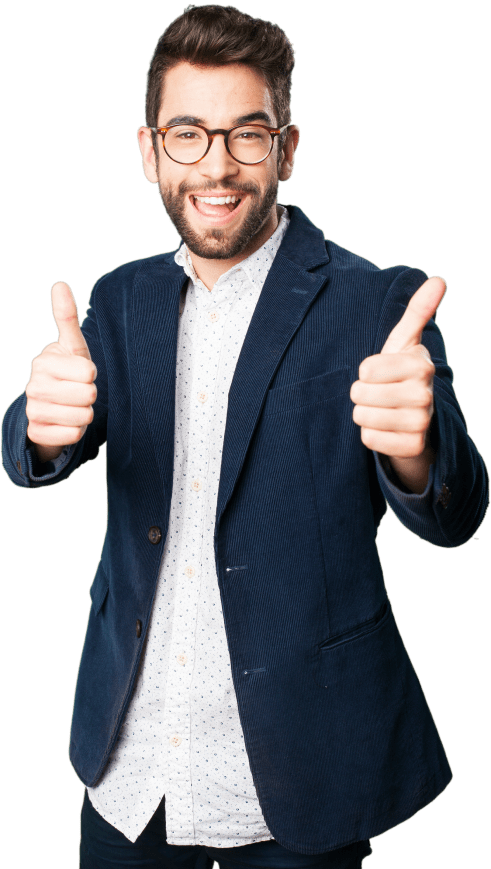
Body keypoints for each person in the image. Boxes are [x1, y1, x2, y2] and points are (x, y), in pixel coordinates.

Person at [2, 4, 488, 868]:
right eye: (187, 134)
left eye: (247, 134)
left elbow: (455, 512)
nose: (217, 164)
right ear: (151, 151)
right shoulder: (119, 300)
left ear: (286, 148)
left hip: (301, 776)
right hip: (130, 771)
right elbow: (37, 442)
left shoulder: (377, 305)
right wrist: (39, 427)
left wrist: (415, 449)